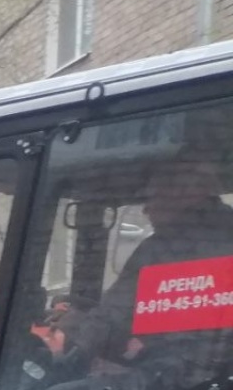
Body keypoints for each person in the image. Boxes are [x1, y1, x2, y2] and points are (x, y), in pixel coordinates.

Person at [58, 158, 233, 378]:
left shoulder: (164, 246)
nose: (146, 210)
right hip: (211, 379)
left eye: (154, 198)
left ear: (190, 193)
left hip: (181, 379)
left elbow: (114, 318)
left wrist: (74, 340)